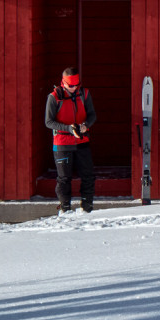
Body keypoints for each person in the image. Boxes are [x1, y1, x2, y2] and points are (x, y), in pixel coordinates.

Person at [45, 67, 96, 212]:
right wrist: (69, 128)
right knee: (64, 178)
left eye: (76, 85)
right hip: (62, 142)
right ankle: (65, 207)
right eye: (71, 85)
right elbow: (48, 122)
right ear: (64, 83)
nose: (74, 88)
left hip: (82, 140)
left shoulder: (84, 94)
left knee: (88, 175)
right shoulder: (54, 97)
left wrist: (86, 125)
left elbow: (92, 115)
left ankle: (87, 206)